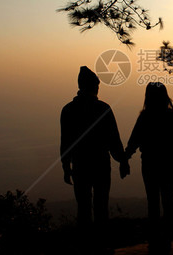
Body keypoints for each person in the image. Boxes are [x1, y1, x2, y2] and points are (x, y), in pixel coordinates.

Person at [60, 66, 130, 232]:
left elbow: (66, 142)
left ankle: (85, 245)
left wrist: (66, 166)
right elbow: (114, 138)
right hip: (101, 164)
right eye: (97, 86)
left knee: (83, 207)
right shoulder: (103, 108)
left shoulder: (68, 110)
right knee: (101, 206)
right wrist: (122, 160)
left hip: (80, 164)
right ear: (93, 86)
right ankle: (101, 243)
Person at [125, 82, 173, 254]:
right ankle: (167, 237)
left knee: (153, 201)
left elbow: (134, 141)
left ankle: (155, 239)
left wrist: (125, 159)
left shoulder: (145, 117)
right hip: (167, 163)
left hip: (150, 163)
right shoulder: (172, 116)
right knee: (168, 199)